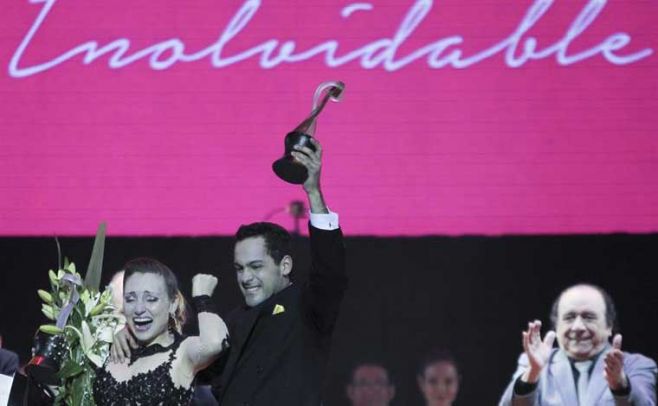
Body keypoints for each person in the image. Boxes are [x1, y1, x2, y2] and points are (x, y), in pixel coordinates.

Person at [205, 138, 347, 405]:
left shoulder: (307, 309)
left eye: (256, 267)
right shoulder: (234, 322)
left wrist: (314, 193)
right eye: (239, 268)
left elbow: (331, 272)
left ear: (285, 266)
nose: (245, 278)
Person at [97, 258, 228, 405]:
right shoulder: (110, 350)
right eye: (130, 299)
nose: (139, 309)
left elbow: (215, 343)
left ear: (173, 303)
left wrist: (202, 297)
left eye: (151, 299)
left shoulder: (183, 351)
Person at [499, 283, 657, 406]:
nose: (578, 327)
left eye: (588, 317)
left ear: (609, 326)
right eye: (569, 317)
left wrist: (621, 386)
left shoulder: (637, 366)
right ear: (557, 327)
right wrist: (533, 373)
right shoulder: (531, 364)